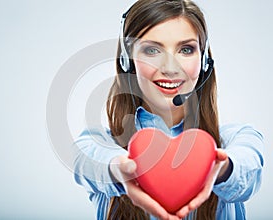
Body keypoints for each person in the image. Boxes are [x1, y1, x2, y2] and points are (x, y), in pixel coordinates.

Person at [73, 0, 264, 219]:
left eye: (186, 49)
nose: (171, 68)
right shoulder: (101, 143)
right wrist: (119, 169)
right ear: (128, 60)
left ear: (203, 60)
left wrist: (218, 169)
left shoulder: (237, 138)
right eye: (152, 50)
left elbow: (248, 170)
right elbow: (85, 159)